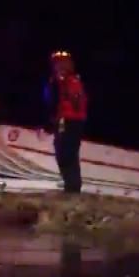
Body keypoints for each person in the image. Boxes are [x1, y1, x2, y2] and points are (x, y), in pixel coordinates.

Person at [44, 51, 87, 194]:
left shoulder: (72, 81)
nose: (57, 67)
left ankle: (73, 187)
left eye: (60, 63)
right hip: (64, 120)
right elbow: (52, 101)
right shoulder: (57, 82)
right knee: (62, 152)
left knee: (68, 153)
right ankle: (70, 185)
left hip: (71, 121)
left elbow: (77, 102)